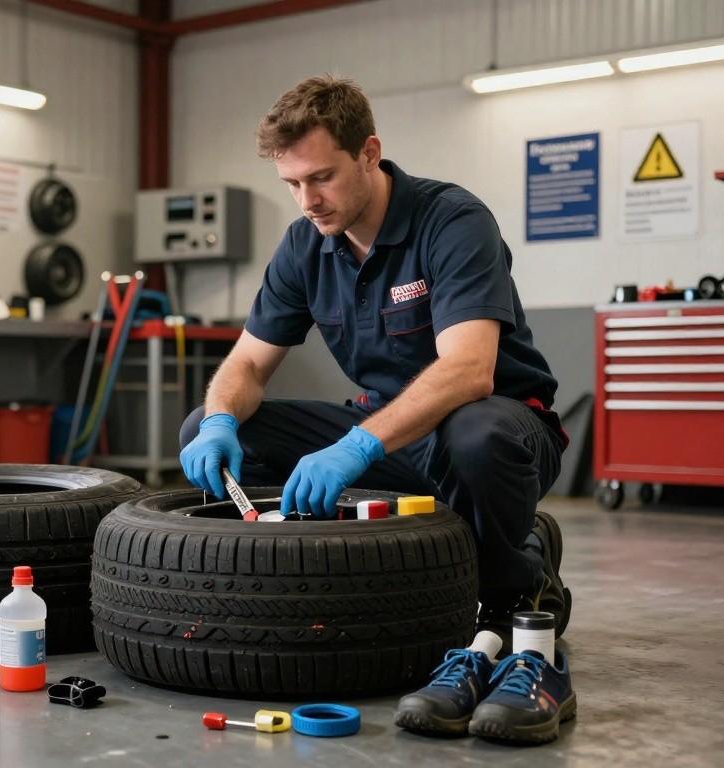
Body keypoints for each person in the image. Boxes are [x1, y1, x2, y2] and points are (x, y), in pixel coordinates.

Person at [177, 75, 573, 742]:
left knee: (474, 434)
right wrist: (220, 418)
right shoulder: (306, 244)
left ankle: (516, 595)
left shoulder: (452, 220)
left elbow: (470, 371)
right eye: (293, 184)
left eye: (322, 177)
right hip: (389, 433)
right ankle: (304, 586)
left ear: (369, 152)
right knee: (211, 423)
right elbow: (246, 363)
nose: (308, 200)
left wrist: (358, 446)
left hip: (500, 425)